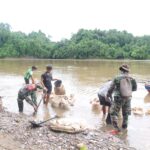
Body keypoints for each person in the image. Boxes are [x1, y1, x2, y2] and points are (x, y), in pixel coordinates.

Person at [107, 64, 137, 131]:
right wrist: (127, 90)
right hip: (128, 98)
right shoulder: (132, 78)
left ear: (121, 70)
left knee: (113, 113)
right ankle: (124, 128)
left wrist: (108, 95)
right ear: (128, 71)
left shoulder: (117, 78)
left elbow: (111, 88)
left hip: (118, 97)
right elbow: (134, 89)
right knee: (126, 113)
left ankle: (116, 129)